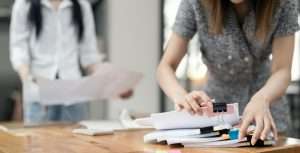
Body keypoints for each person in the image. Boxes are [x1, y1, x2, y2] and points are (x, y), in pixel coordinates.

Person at [157, 0, 299, 145]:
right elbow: (165, 66)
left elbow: (282, 70)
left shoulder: (284, 3)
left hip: (267, 116)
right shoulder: (195, 2)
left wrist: (262, 98)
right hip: (216, 120)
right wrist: (181, 96)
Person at [10, 0, 132, 124]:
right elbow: (19, 50)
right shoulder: (23, 5)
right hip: (38, 98)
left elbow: (89, 56)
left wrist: (113, 82)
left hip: (74, 97)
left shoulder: (81, 5)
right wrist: (28, 79)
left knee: (77, 141)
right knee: (37, 142)